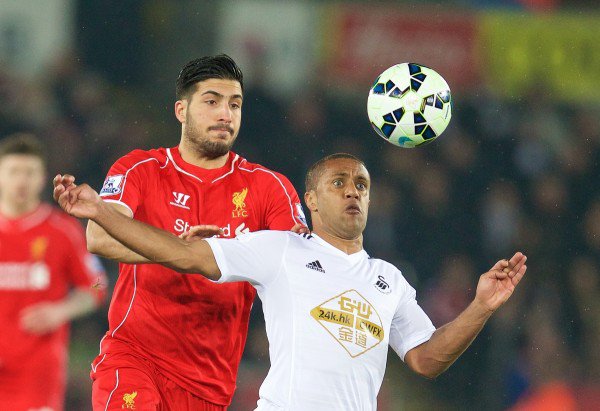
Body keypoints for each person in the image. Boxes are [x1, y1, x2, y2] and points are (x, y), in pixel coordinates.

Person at [54, 153, 527, 410]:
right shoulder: (280, 249)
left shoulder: (388, 280)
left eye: (361, 185)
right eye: (339, 183)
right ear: (311, 201)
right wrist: (100, 212)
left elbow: (425, 359)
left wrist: (482, 306)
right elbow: (181, 253)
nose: (352, 192)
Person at [53, 54, 306, 410]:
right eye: (212, 101)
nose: (225, 114)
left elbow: (298, 265)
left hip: (210, 382)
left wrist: (212, 256)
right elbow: (99, 236)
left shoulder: (270, 188)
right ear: (181, 110)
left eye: (235, 104)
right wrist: (184, 252)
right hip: (135, 359)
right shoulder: (140, 168)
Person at [0, 133, 106, 411]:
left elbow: (96, 284)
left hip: (36, 372)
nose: (21, 181)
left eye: (30, 172)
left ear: (42, 177)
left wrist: (62, 311)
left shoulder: (62, 230)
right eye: (13, 172)